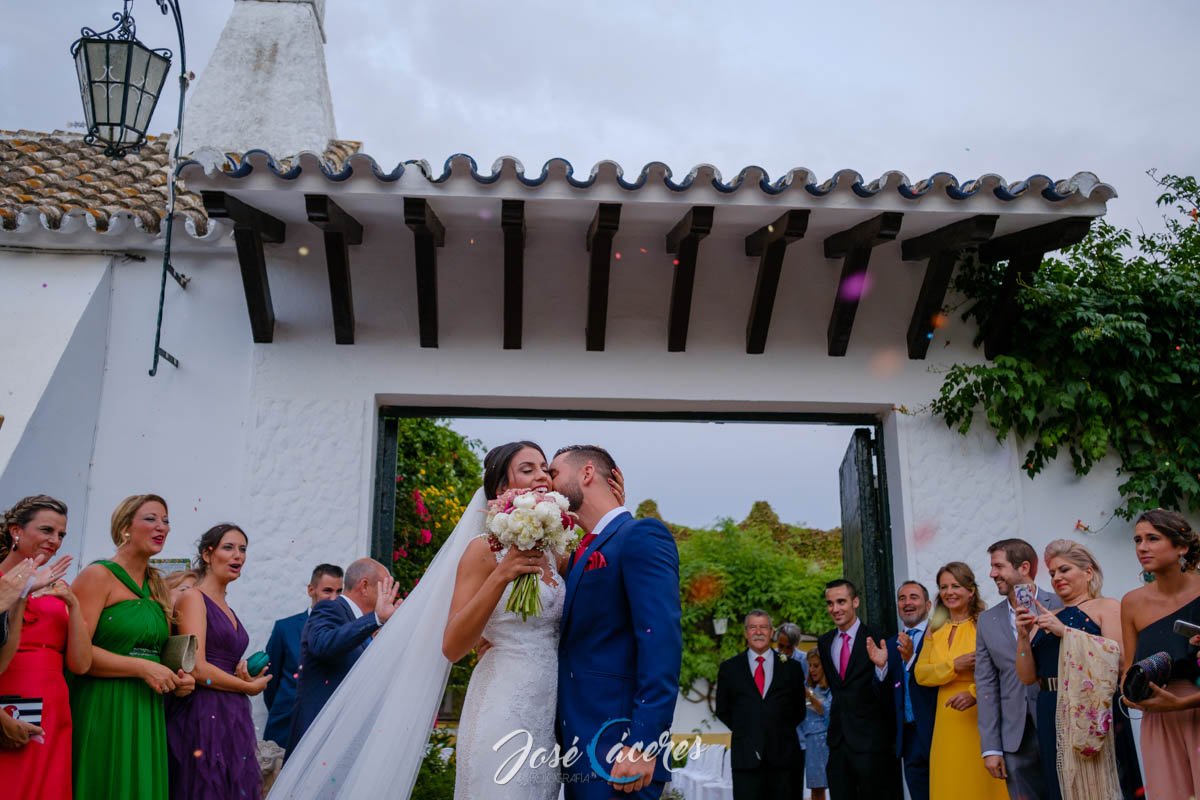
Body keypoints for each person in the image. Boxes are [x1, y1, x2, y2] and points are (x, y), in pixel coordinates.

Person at [268, 441, 635, 799]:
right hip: (503, 703)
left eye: (544, 468)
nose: (542, 475)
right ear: (503, 489)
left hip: (549, 712)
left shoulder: (559, 550)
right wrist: (501, 575)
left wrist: (614, 508)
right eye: (528, 469)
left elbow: (597, 588)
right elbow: (452, 645)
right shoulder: (483, 550)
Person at [551, 444, 682, 799]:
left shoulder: (641, 536)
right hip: (577, 747)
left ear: (587, 474)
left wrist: (644, 742)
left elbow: (661, 644)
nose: (548, 485)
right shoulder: (581, 552)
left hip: (620, 750)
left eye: (554, 474)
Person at [71, 494, 196, 800]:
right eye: (151, 519)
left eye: (166, 521)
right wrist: (141, 667)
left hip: (147, 706)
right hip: (104, 703)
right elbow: (78, 654)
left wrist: (179, 678)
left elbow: (159, 654)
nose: (162, 527)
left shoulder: (158, 587)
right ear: (125, 527)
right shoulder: (97, 576)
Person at [1014, 539, 1141, 800]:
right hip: (1052, 706)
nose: (1057, 577)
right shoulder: (1048, 617)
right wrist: (1024, 636)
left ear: (1088, 572)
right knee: (1061, 783)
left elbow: (1119, 658)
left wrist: (1066, 633)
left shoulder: (1107, 607)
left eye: (1064, 569)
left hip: (1094, 707)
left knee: (1107, 783)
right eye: (1052, 573)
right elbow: (1027, 676)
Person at [166, 524, 272, 798]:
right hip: (203, 711)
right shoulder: (193, 598)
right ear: (207, 554)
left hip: (232, 712)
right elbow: (197, 667)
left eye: (243, 549)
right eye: (228, 548)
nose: (238, 556)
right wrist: (246, 688)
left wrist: (241, 676)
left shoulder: (227, 606)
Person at [0, 496, 90, 797]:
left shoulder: (57, 587)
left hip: (53, 702)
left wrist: (74, 607)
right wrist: (22, 591)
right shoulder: (3, 583)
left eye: (61, 535)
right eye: (47, 530)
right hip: (9, 697)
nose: (55, 540)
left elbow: (80, 664)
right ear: (16, 531)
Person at [1119, 509, 1200, 799]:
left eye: (1153, 538)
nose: (1142, 547)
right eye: (1138, 540)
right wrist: (1133, 694)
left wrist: (1183, 702)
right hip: (1159, 716)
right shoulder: (1132, 603)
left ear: (1182, 546)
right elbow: (1128, 670)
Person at [285, 557, 400, 755]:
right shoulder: (330, 607)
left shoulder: (361, 624)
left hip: (343, 737)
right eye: (385, 588)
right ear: (364, 586)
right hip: (319, 737)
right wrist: (375, 619)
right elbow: (323, 644)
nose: (388, 595)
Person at [976, 538, 1061, 800]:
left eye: (998, 566)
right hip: (1015, 735)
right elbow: (986, 684)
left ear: (1024, 567)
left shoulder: (1061, 604)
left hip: (1060, 722)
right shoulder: (987, 621)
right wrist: (991, 747)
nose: (992, 574)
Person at [915, 562, 1008, 800]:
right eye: (943, 587)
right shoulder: (934, 629)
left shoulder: (985, 623)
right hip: (946, 722)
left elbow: (1004, 671)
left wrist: (974, 693)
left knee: (981, 784)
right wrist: (954, 666)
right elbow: (921, 674)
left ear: (971, 590)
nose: (949, 592)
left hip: (980, 716)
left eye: (955, 585)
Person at [818, 578, 899, 800]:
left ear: (855, 602)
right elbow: (838, 689)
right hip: (838, 743)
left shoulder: (878, 637)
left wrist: (882, 667)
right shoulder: (825, 643)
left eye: (841, 601)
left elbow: (889, 691)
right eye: (830, 603)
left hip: (872, 743)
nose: (835, 609)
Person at [715, 610, 807, 799]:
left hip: (785, 758)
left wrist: (775, 729)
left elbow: (799, 710)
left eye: (763, 627)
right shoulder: (729, 669)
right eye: (753, 627)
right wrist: (750, 730)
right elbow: (723, 709)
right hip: (746, 758)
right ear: (745, 632)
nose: (758, 631)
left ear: (771, 632)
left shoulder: (792, 668)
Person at [263, 563, 344, 746]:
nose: (334, 599)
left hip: (329, 729)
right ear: (311, 590)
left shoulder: (346, 631)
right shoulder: (285, 628)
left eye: (339, 592)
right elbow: (271, 680)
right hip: (286, 724)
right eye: (327, 591)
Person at [886, 580, 937, 800]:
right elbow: (883, 696)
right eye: (902, 598)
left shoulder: (941, 636)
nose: (907, 603)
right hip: (907, 736)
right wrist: (880, 670)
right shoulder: (889, 644)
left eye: (914, 597)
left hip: (938, 730)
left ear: (927, 605)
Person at [775, 621, 808, 798]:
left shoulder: (803, 660)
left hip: (799, 730)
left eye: (788, 647)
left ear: (795, 645)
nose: (783, 651)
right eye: (780, 646)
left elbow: (810, 690)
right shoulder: (770, 659)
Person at [801, 649, 831, 800]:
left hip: (825, 740)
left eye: (816, 665)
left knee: (827, 785)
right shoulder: (809, 686)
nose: (812, 669)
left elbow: (824, 709)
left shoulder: (830, 687)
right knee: (815, 788)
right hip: (810, 740)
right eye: (810, 666)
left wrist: (808, 694)